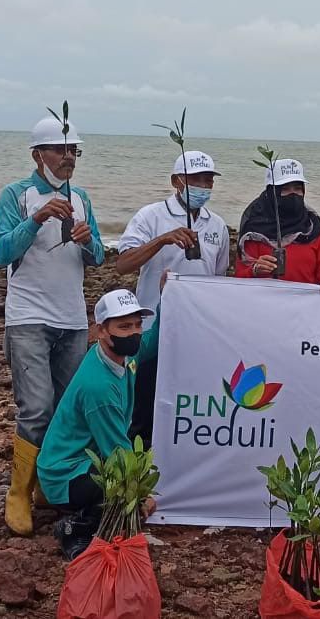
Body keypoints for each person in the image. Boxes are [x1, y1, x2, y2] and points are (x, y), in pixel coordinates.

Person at [0, 116, 106, 536]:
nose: (69, 156)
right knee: (36, 406)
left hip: (72, 318)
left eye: (74, 150)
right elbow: (1, 251)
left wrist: (87, 240)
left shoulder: (84, 198)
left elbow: (98, 259)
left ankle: (46, 482)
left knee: (64, 410)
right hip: (28, 317)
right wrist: (37, 219)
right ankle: (18, 491)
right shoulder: (16, 195)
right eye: (61, 149)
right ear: (38, 154)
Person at [116, 150, 229, 444]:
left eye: (208, 180)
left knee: (188, 403)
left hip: (197, 330)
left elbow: (218, 276)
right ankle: (136, 472)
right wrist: (162, 239)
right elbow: (123, 263)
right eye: (196, 180)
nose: (203, 186)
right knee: (144, 404)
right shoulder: (151, 216)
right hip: (153, 327)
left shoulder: (216, 225)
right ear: (176, 181)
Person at [36, 290, 159, 559]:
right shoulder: (99, 388)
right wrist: (141, 494)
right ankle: (75, 528)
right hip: (64, 473)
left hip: (78, 460)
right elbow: (116, 451)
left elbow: (148, 343)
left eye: (138, 324)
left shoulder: (117, 357)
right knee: (117, 486)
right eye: (124, 327)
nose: (134, 333)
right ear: (101, 331)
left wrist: (167, 296)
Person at [234, 158, 320, 293]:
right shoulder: (254, 229)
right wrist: (254, 270)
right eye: (285, 189)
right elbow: (239, 277)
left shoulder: (312, 226)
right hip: (262, 303)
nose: (293, 194)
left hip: (305, 304)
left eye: (297, 188)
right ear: (272, 192)